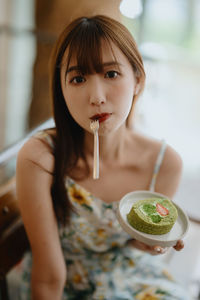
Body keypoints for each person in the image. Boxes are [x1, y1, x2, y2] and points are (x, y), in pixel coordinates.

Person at [16, 15, 189, 300]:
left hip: (128, 276)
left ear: (138, 80)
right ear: (62, 89)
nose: (96, 97)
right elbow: (49, 276)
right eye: (78, 78)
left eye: (111, 74)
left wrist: (149, 242)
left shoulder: (165, 163)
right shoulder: (40, 158)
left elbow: (133, 245)